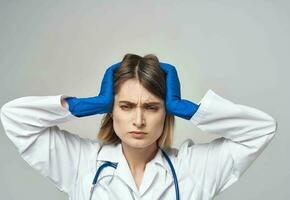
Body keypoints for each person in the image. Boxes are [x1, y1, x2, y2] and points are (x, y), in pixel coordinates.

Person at [0, 53, 277, 200]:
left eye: (152, 107)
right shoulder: (80, 163)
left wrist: (187, 108)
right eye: (126, 106)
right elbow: (14, 117)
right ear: (111, 111)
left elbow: (261, 129)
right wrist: (89, 104)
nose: (139, 120)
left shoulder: (195, 168)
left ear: (166, 111)